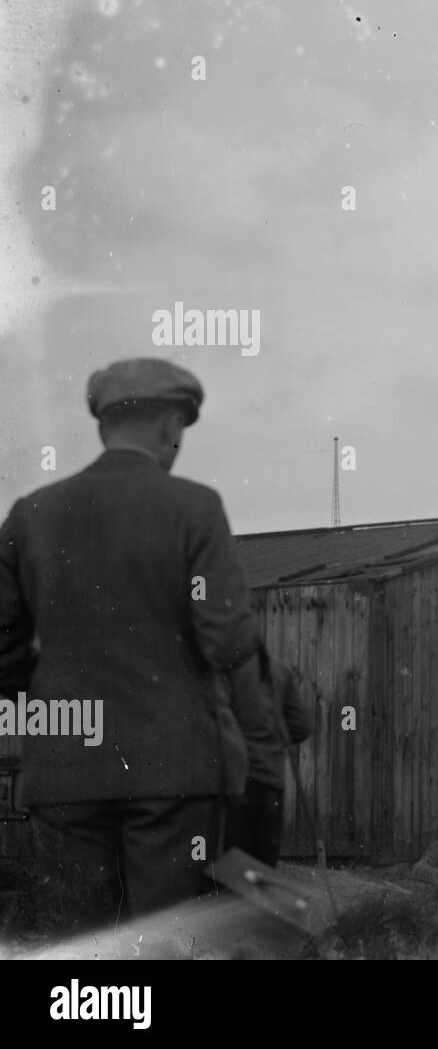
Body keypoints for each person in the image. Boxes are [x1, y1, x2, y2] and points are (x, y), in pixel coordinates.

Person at [0, 357, 260, 930]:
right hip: (175, 769)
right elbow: (228, 641)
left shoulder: (29, 514)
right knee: (168, 937)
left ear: (103, 425)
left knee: (80, 945)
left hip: (63, 767)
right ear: (170, 425)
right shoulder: (195, 508)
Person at [226, 639, 315, 866]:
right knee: (264, 861)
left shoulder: (225, 671)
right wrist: (275, 740)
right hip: (270, 781)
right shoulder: (280, 670)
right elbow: (301, 726)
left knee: (233, 863)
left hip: (235, 781)